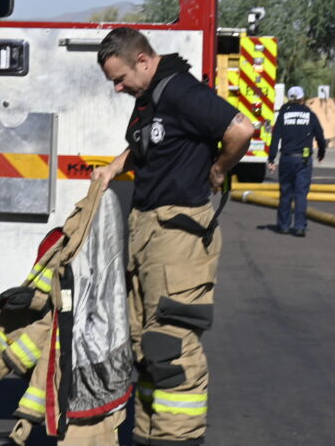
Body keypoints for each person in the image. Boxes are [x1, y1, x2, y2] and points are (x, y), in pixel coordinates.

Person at [92, 27, 254, 446]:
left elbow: (241, 130)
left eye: (120, 79)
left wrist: (219, 169)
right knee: (146, 348)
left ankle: (179, 439)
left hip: (178, 235)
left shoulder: (180, 90)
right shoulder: (150, 97)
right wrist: (114, 167)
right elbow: (144, 145)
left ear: (143, 61)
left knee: (171, 347)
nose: (117, 88)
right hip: (148, 233)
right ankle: (152, 436)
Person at [267, 86, 327, 237]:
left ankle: (283, 225)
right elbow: (320, 136)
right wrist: (321, 153)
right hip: (304, 159)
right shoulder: (309, 114)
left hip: (287, 158)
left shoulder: (283, 115)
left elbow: (275, 138)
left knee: (286, 192)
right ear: (302, 98)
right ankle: (299, 227)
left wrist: (271, 158)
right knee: (301, 194)